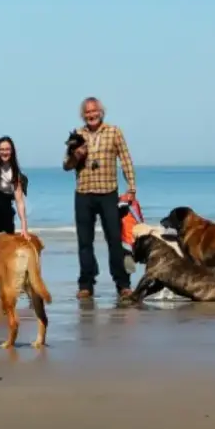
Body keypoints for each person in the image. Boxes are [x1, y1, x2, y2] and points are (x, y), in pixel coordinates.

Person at [63, 97, 137, 301]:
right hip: (84, 193)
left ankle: (123, 284)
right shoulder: (77, 134)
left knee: (114, 240)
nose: (91, 115)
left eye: (94, 111)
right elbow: (66, 165)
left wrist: (131, 187)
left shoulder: (114, 132)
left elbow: (125, 159)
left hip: (108, 193)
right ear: (83, 115)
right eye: (87, 112)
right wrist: (76, 156)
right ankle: (86, 284)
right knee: (84, 242)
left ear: (101, 112)